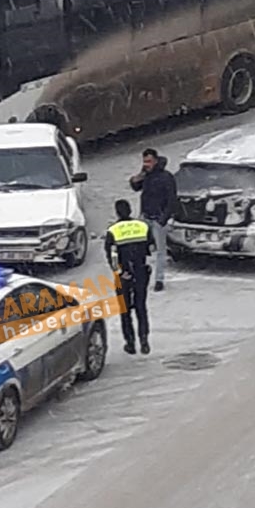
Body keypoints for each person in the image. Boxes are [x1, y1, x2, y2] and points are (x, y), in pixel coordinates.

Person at [104, 199, 156, 355]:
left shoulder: (113, 230)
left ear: (117, 212)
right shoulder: (142, 226)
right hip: (140, 271)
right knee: (141, 307)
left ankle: (130, 343)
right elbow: (152, 248)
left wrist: (120, 272)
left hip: (124, 274)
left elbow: (112, 255)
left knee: (124, 309)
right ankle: (144, 340)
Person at [129, 148, 178, 292]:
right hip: (145, 217)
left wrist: (164, 218)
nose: (146, 164)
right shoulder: (146, 175)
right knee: (139, 248)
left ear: (156, 161)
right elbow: (136, 187)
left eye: (149, 161)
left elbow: (172, 200)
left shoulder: (166, 177)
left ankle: (159, 280)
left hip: (158, 218)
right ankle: (139, 275)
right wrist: (137, 178)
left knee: (160, 251)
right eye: (144, 161)